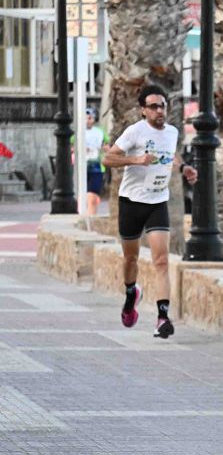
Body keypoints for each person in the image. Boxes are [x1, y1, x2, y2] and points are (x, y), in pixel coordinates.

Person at [102, 85, 197, 339]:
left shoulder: (172, 132)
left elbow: (171, 155)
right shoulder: (135, 132)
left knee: (162, 260)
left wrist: (183, 168)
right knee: (130, 259)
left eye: (162, 106)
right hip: (131, 202)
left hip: (157, 202)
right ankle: (131, 292)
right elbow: (109, 159)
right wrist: (135, 160)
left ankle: (162, 317)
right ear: (143, 110)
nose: (159, 111)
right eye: (153, 106)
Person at [82, 106, 109, 215]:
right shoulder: (78, 132)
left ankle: (91, 215)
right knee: (84, 195)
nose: (88, 120)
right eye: (85, 118)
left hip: (97, 166)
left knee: (93, 194)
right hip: (81, 166)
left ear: (94, 119)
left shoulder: (100, 132)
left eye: (90, 118)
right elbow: (71, 146)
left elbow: (106, 146)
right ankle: (87, 214)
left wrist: (106, 149)